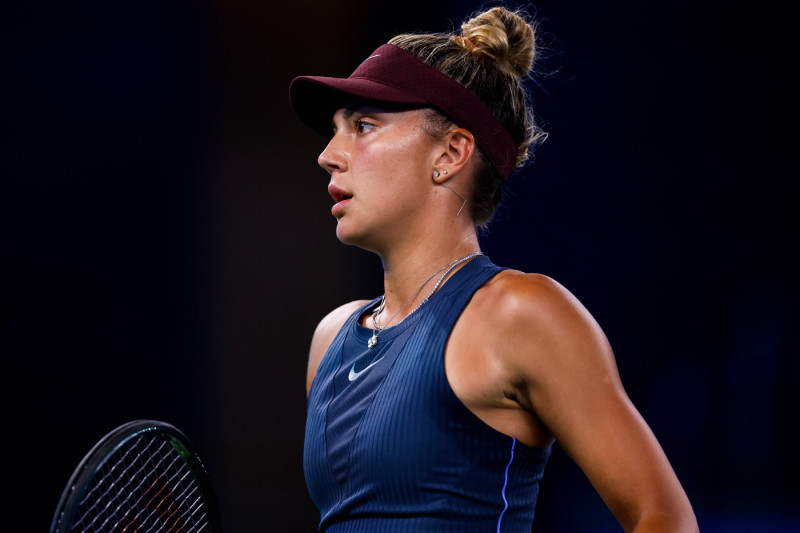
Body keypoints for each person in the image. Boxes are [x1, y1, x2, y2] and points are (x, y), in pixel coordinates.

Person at [289, 5, 698, 532]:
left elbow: (663, 518)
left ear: (452, 151)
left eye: (364, 125)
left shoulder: (521, 314)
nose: (328, 154)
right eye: (335, 130)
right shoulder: (332, 338)